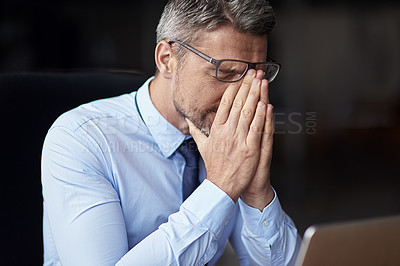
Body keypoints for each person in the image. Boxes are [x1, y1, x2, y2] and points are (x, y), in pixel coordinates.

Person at [41, 0, 301, 265]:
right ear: (167, 60)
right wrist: (222, 186)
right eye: (225, 73)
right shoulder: (81, 139)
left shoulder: (228, 141)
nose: (240, 97)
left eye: (256, 76)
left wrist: (257, 194)